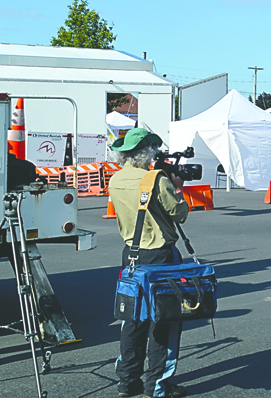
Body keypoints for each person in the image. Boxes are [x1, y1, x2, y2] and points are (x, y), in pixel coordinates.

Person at [108, 128, 190, 398]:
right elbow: (179, 213)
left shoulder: (116, 179)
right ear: (148, 152)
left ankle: (127, 382)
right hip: (160, 257)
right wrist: (177, 188)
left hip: (131, 254)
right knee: (163, 321)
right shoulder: (154, 179)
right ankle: (157, 385)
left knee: (132, 319)